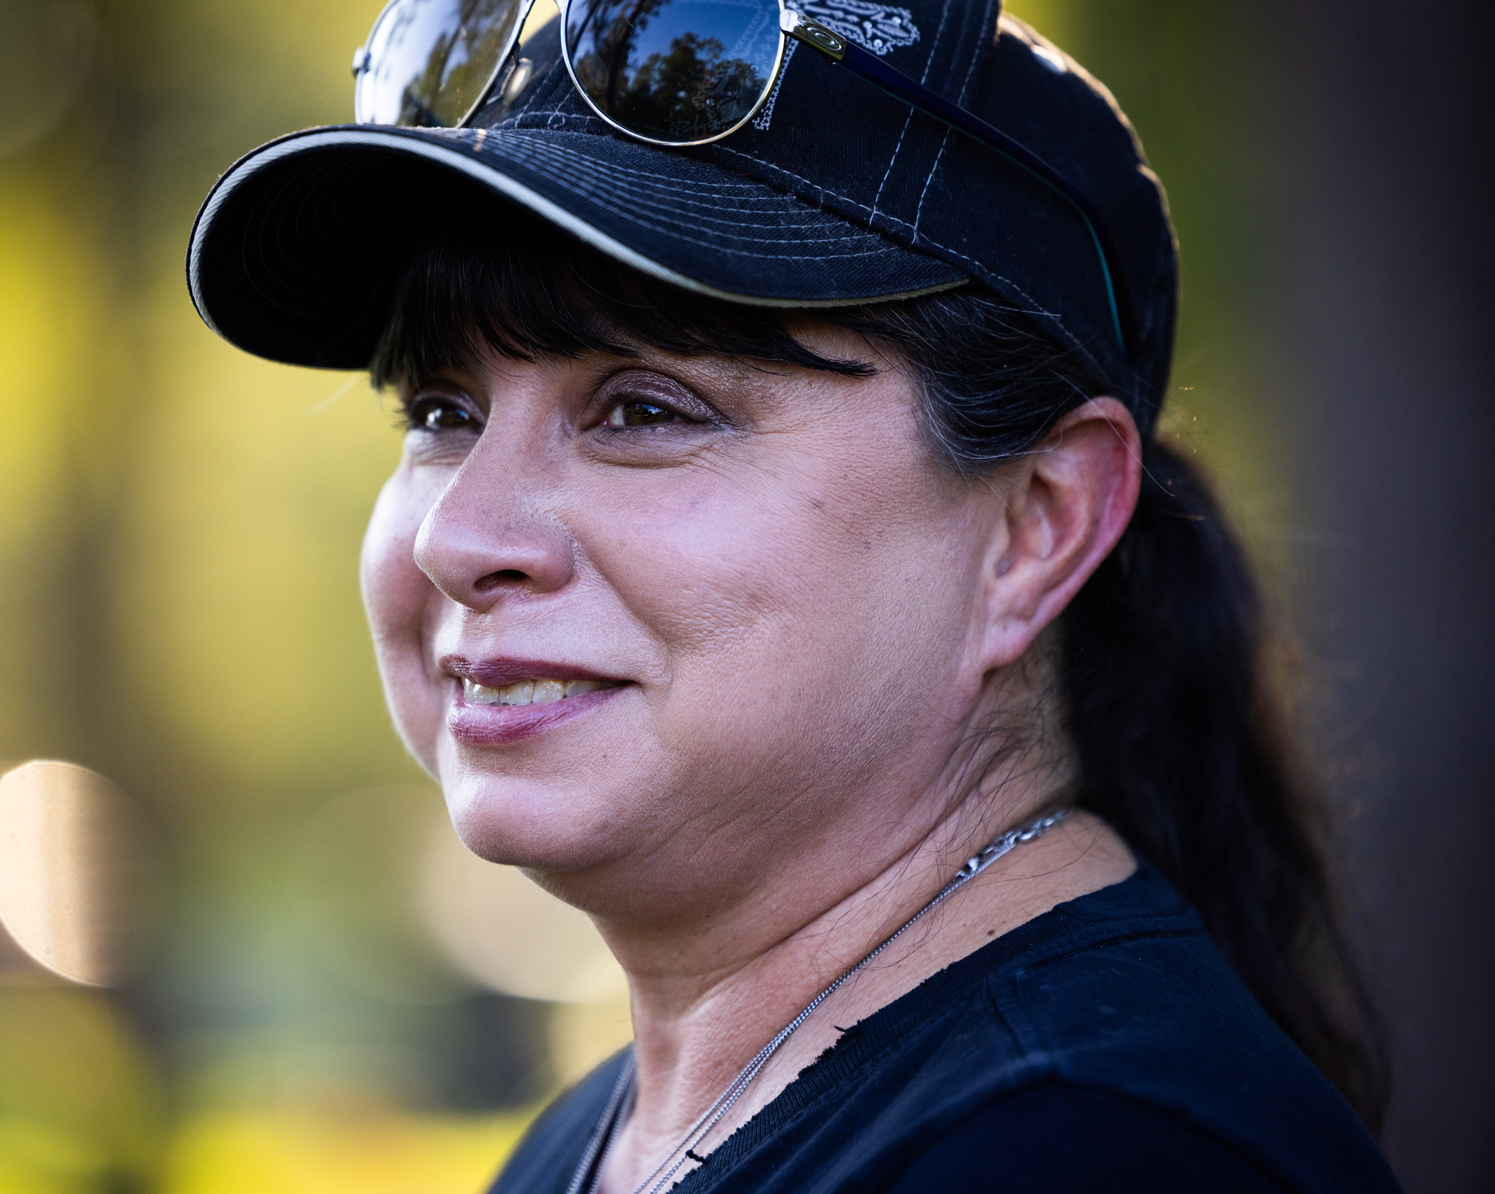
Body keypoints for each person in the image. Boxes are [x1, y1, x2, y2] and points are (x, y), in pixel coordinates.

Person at [186, 1, 1399, 1189]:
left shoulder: (1087, 1151)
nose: (462, 538)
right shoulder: (586, 1147)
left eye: (644, 410)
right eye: (442, 413)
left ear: (1037, 527)